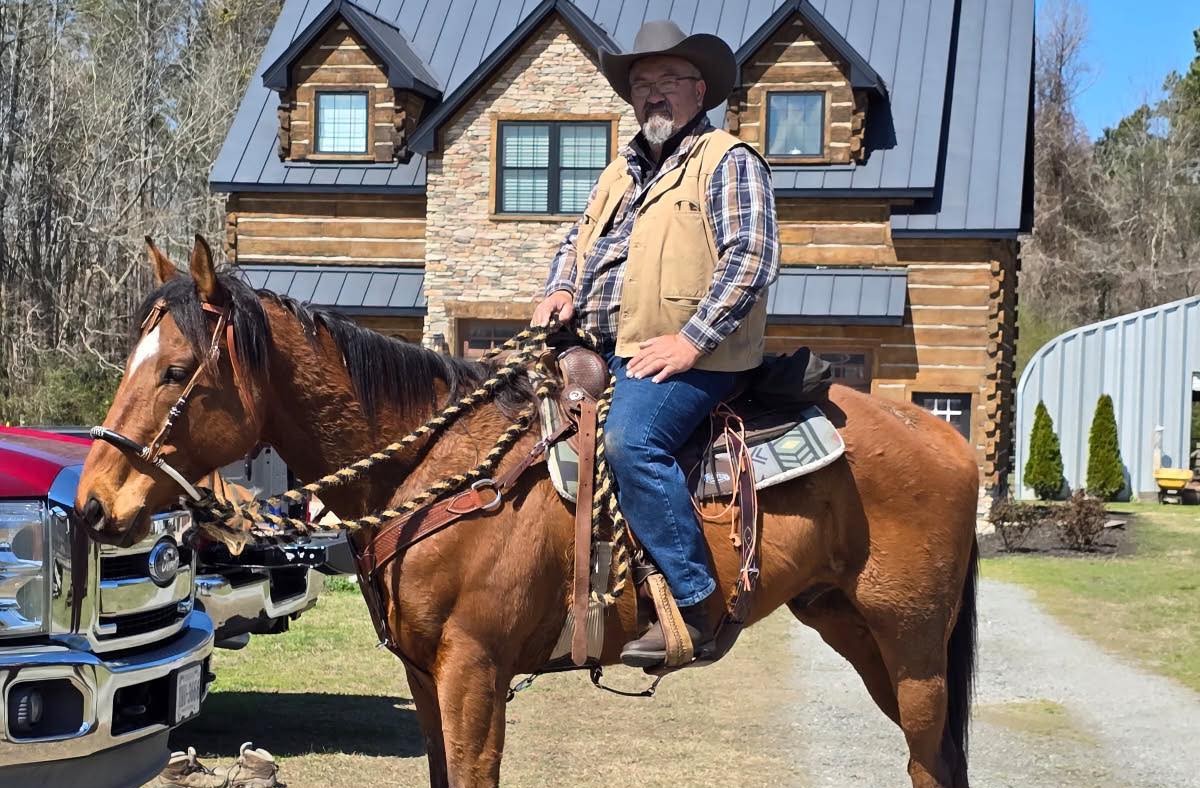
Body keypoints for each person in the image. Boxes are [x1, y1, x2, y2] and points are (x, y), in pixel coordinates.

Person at [531, 20, 779, 667]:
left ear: (700, 90)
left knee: (629, 440)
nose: (654, 95)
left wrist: (690, 342)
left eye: (668, 81)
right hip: (603, 345)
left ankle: (698, 607)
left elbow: (750, 260)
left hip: (698, 355)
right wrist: (561, 287)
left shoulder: (727, 160)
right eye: (643, 84)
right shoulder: (619, 170)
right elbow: (575, 242)